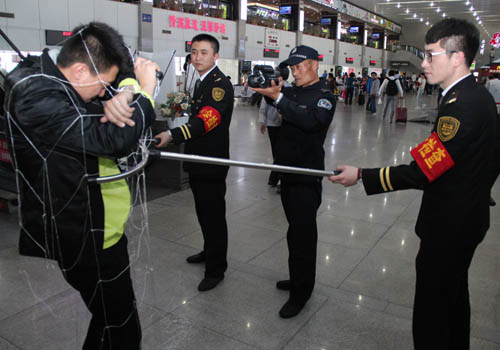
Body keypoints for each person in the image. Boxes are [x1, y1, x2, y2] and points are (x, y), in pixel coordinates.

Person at [329, 18, 498, 349]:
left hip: (449, 226)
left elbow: (423, 171)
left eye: (431, 55)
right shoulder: (477, 96)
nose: (423, 63)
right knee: (454, 297)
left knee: (432, 311)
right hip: (469, 217)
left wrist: (362, 175)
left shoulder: (459, 106)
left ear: (458, 57)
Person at [5, 22, 159, 349]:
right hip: (84, 236)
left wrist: (127, 91)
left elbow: (121, 70)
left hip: (103, 229)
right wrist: (145, 93)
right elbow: (112, 138)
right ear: (78, 71)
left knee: (109, 321)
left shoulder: (59, 77)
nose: (106, 94)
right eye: (103, 86)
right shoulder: (34, 93)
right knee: (122, 328)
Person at [253, 45, 335, 318]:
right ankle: (296, 277)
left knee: (303, 234)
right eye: (292, 67)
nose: (294, 71)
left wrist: (278, 98)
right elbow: (277, 103)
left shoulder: (324, 96)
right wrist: (267, 93)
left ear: (314, 64)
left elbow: (311, 121)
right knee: (293, 232)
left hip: (306, 176)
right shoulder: (292, 91)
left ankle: (302, 292)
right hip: (287, 173)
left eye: (299, 66)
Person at [154, 34, 233, 292]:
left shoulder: (219, 85)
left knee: (213, 216)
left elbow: (204, 122)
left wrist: (172, 135)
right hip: (197, 159)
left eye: (204, 52)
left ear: (215, 56)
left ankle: (216, 268)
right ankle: (209, 251)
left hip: (211, 162)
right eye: (195, 52)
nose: (197, 57)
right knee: (203, 211)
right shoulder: (200, 81)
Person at [259, 67, 291, 189]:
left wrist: (263, 122)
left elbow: (263, 106)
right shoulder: (285, 87)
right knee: (280, 151)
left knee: (277, 151)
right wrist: (262, 122)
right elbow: (264, 104)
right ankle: (276, 177)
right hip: (279, 124)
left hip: (277, 124)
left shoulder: (283, 88)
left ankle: (276, 177)